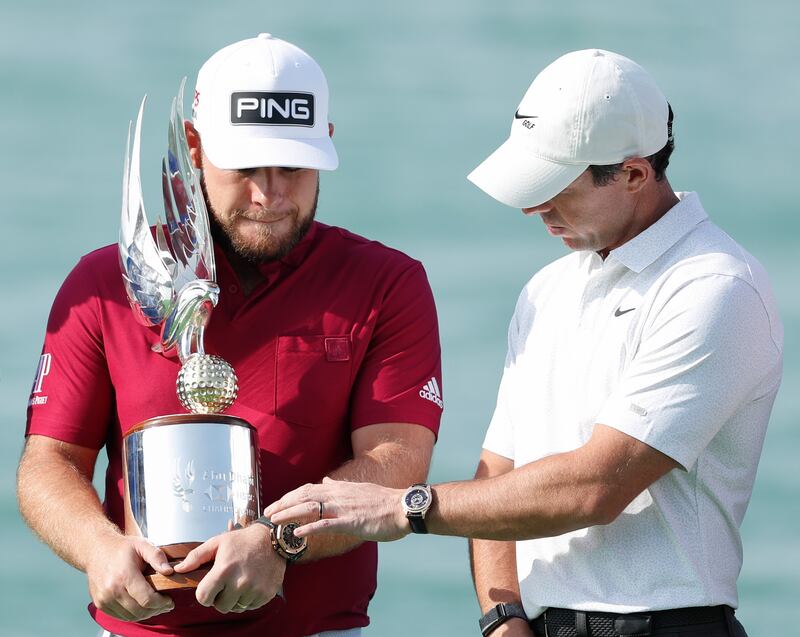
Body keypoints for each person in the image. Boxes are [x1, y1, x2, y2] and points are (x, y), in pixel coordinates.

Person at [264, 49, 783, 637]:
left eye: (556, 186)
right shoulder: (547, 289)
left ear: (634, 174)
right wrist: (501, 616)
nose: (536, 207)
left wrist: (405, 507)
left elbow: (598, 485)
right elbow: (499, 475)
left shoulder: (715, 287)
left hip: (669, 624)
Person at [17, 33, 443, 637]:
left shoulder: (387, 282)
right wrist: (96, 547)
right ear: (193, 146)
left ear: (326, 143)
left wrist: (281, 539)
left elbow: (397, 462)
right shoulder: (104, 282)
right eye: (244, 167)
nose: (269, 195)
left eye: (293, 167)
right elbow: (49, 462)